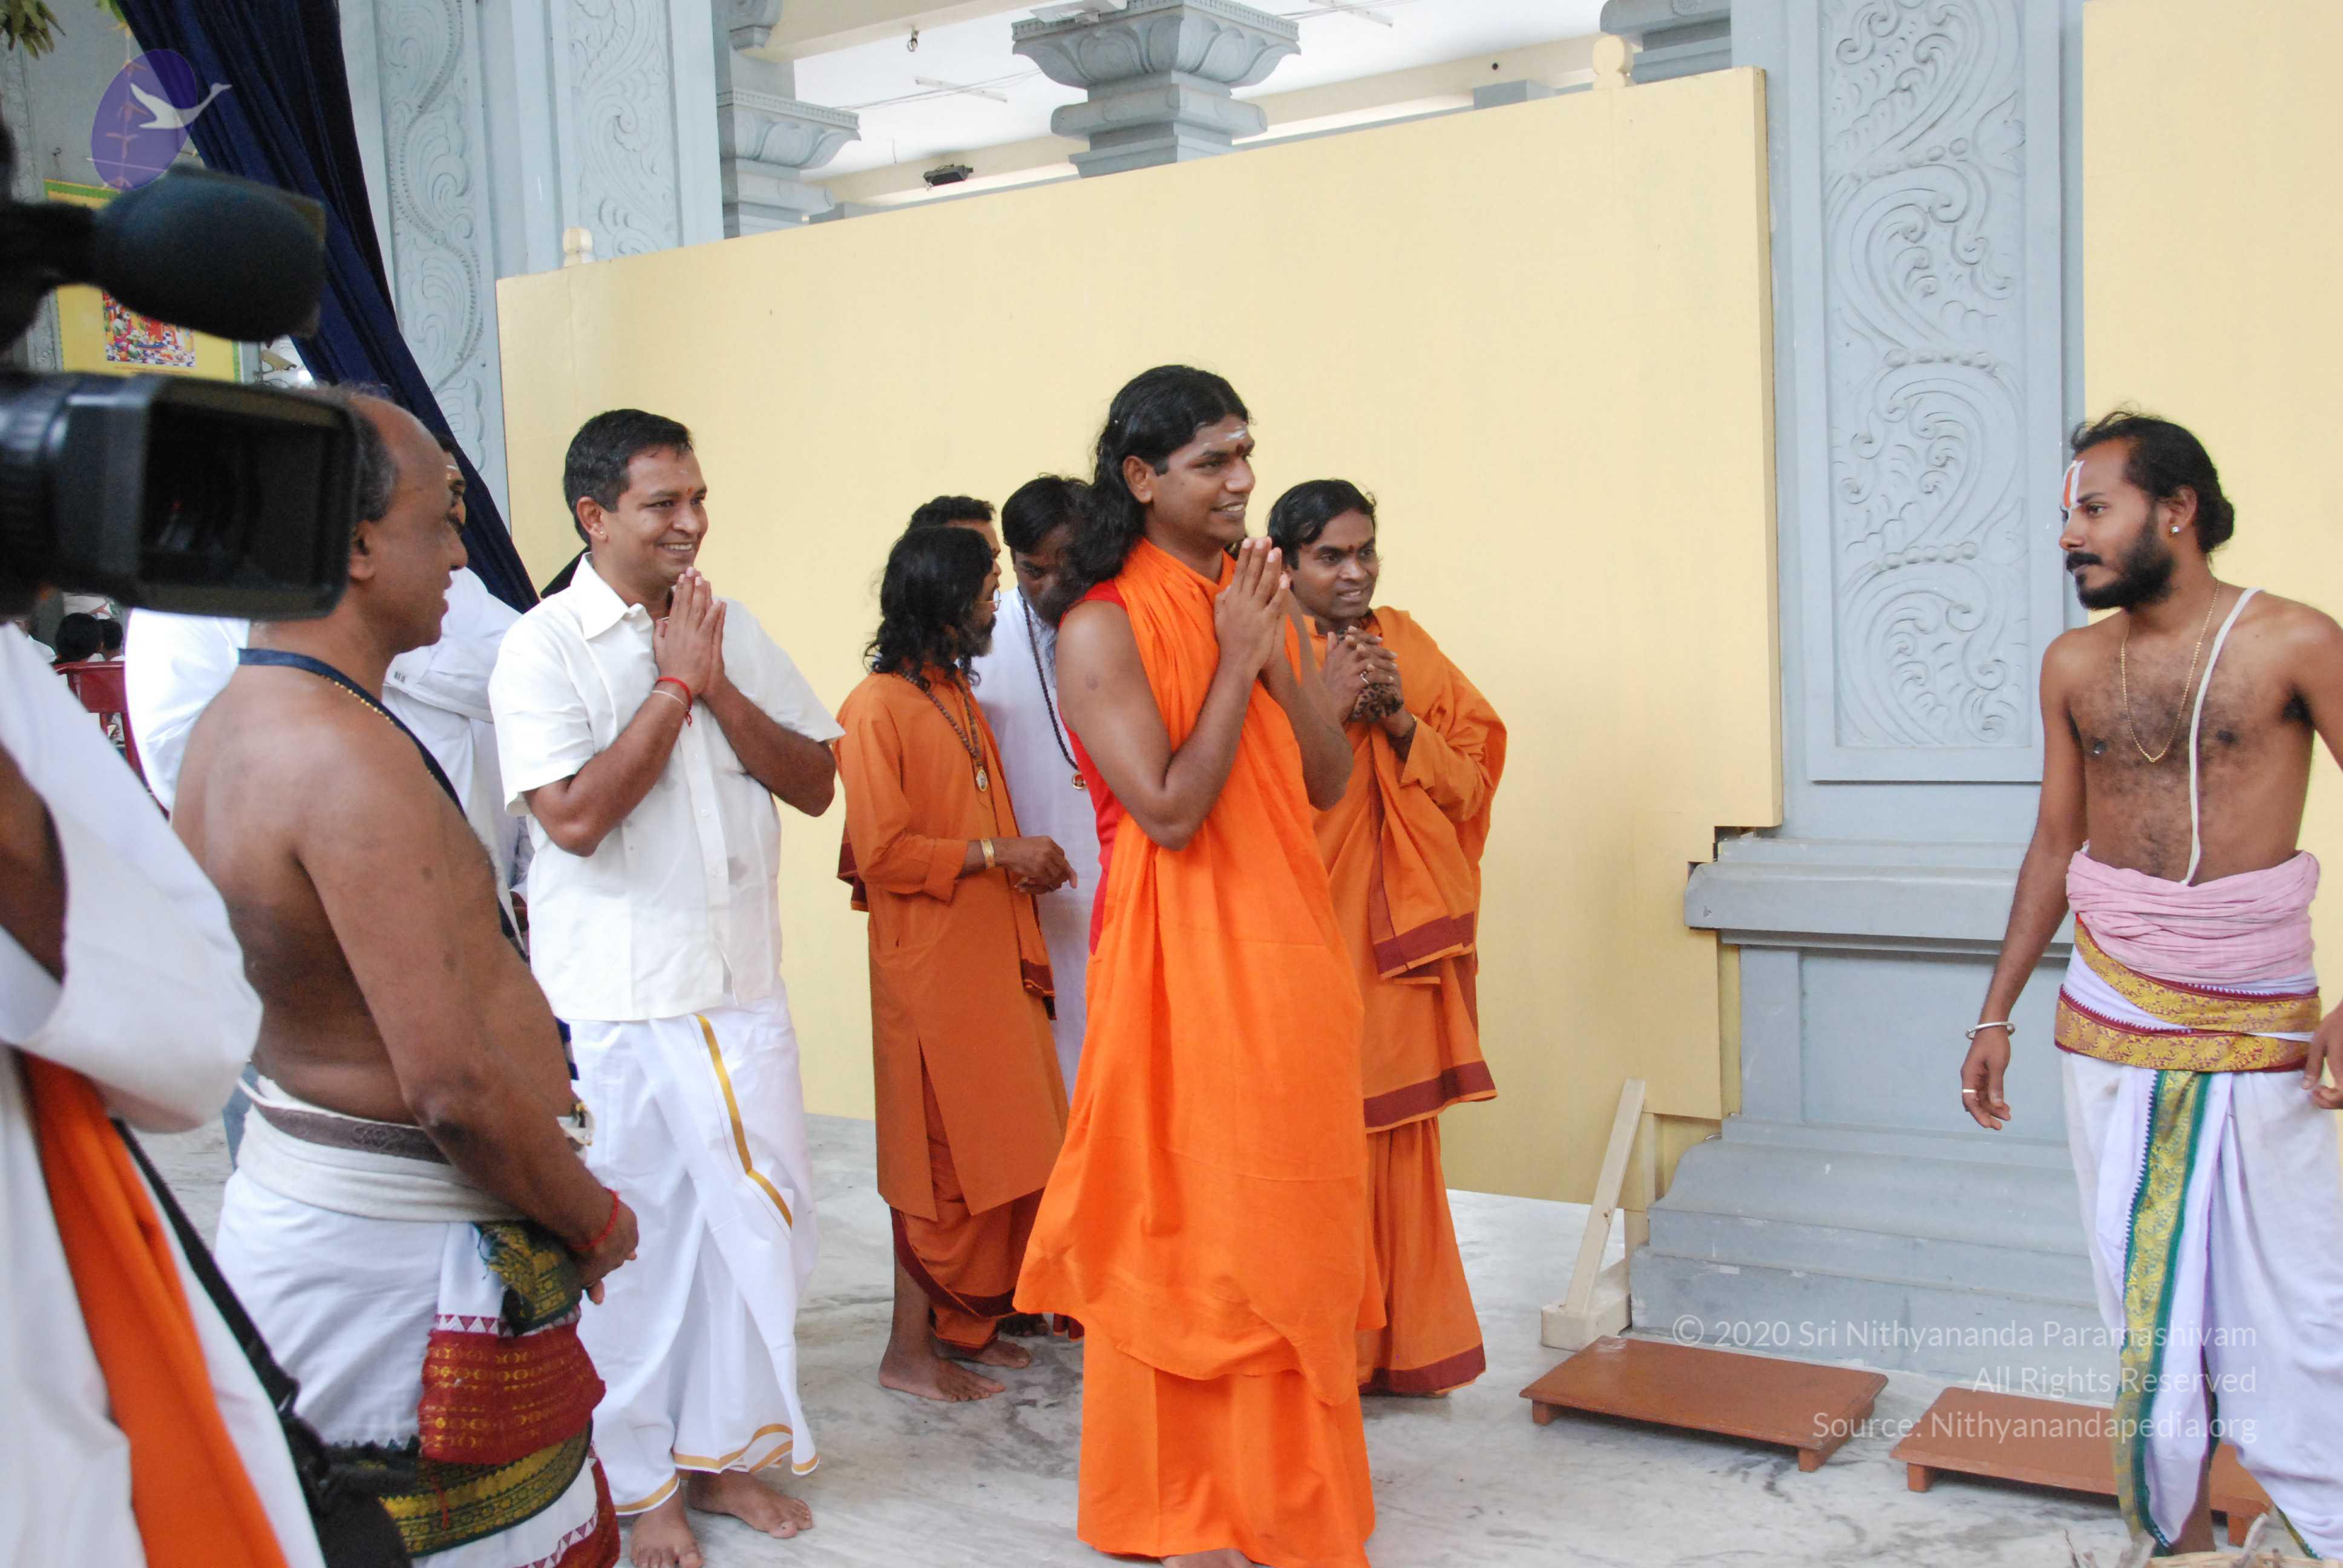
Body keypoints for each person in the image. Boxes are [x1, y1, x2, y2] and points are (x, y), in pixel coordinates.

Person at [173, 388, 627, 1568]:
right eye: (445, 516)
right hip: (390, 1269)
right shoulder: (339, 758)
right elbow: (454, 1090)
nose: (461, 554)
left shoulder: (234, 723)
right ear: (360, 543)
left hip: (326, 1227)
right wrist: (591, 1217)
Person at [1961, 411, 2343, 1558]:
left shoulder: (2296, 642)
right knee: (2144, 1294)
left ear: (2175, 510)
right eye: (2066, 513)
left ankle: (2319, 1526)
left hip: (2260, 1012)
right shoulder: (2073, 665)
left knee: (2297, 1294)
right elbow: (2054, 843)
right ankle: (2173, 1537)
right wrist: (1994, 1010)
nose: (2068, 536)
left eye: (2093, 509)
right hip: (2111, 1009)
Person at [1014, 366, 1371, 1568]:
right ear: (1141, 476)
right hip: (1178, 964)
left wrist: (1268, 660)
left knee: (1286, 1215)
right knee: (1190, 1223)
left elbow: (1326, 776)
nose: (1241, 480)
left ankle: (1287, 1501)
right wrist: (1233, 660)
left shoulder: (1247, 602)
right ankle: (1180, 1505)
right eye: (1213, 460)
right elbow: (1166, 810)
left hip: (1289, 953)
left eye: (1245, 454)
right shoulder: (1101, 622)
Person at [491, 407, 838, 1566]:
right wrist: (673, 690)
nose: (690, 522)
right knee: (636, 1255)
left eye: (697, 499)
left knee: (759, 1236)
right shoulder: (542, 646)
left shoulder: (722, 625)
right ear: (594, 516)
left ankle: (722, 1449)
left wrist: (717, 684)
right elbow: (574, 818)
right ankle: (643, 1489)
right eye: (663, 504)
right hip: (620, 1009)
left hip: (741, 987)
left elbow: (816, 780)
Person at [1268, 478, 1506, 1399]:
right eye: (1329, 556)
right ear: (1286, 564)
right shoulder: (1260, 650)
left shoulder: (1407, 643)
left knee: (1397, 1147)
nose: (1354, 572)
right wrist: (1328, 706)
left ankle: (1398, 1351)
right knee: (1314, 1145)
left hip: (1397, 954)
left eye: (1365, 551)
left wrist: (1400, 721)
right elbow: (1242, 804)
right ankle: (1324, 1351)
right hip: (1301, 945)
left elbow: (1470, 786)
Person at [836, 526, 1073, 1403]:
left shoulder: (955, 697)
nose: (994, 605)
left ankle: (966, 1329)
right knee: (935, 1173)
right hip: (929, 979)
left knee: (1003, 1155)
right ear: (942, 600)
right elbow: (882, 852)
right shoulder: (874, 707)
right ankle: (907, 1355)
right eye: (984, 589)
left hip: (991, 965)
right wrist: (1002, 853)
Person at [963, 476, 1105, 1093]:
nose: (1052, 586)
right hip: (1028, 890)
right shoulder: (979, 639)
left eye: (1068, 565)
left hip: (1128, 881)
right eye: (1032, 570)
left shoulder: (1128, 619)